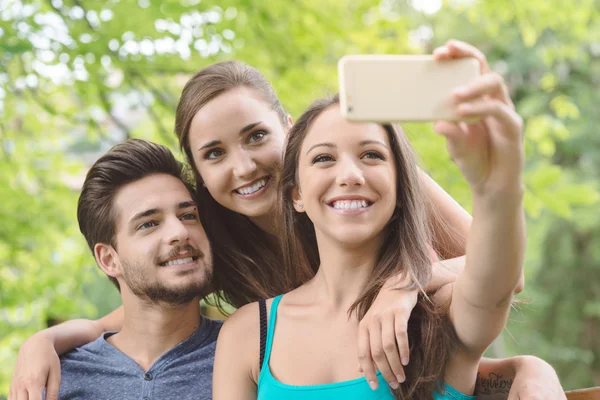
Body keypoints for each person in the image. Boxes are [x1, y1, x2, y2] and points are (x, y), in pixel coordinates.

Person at [10, 40, 564, 399]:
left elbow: (498, 274)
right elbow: (134, 309)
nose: (245, 166)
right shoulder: (222, 251)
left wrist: (406, 281)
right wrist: (48, 342)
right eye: (215, 154)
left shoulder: (366, 172)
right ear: (201, 174)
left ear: (289, 130)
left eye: (256, 137)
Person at [212, 80, 526, 398]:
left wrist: (498, 184)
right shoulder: (249, 334)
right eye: (323, 158)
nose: (350, 175)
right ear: (297, 195)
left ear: (402, 188)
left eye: (371, 155)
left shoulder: (441, 312)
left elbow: (498, 276)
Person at [44, 139, 220, 399]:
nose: (180, 232)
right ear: (108, 259)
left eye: (187, 216)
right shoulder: (60, 378)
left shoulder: (254, 355)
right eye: (148, 224)